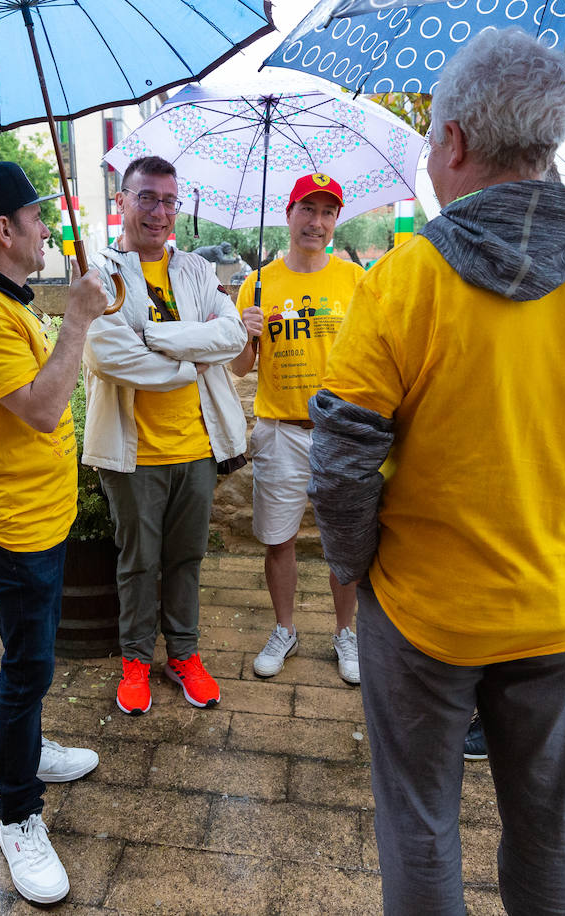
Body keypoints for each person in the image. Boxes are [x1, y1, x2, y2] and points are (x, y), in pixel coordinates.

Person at [306, 30, 565, 914]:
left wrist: (355, 565)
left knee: (419, 824)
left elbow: (341, 462)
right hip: (559, 606)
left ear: (453, 142)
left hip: (424, 612)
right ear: (549, 141)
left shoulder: (405, 282)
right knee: (548, 822)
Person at [0, 162, 109, 905]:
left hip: (43, 516)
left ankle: (31, 750)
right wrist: (77, 320)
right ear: (4, 230)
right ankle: (17, 811)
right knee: (25, 665)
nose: (46, 230)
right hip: (14, 527)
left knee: (32, 657)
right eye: (36, 218)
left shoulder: (6, 300)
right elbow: (40, 407)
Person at [84, 155, 247, 715]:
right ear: (122, 201)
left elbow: (228, 337)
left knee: (186, 559)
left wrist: (151, 335)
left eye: (169, 200)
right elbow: (109, 355)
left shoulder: (199, 270)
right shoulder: (100, 274)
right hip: (133, 453)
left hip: (197, 447)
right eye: (146, 197)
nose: (159, 211)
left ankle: (183, 654)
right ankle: (134, 661)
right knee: (136, 562)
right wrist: (188, 356)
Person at [229, 173, 365, 684]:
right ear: (288, 215)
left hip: (340, 431)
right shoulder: (258, 282)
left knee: (343, 541)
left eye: (328, 212)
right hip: (280, 429)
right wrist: (246, 333)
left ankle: (344, 633)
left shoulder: (355, 281)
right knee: (278, 539)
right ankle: (284, 629)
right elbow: (242, 368)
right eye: (308, 209)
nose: (317, 221)